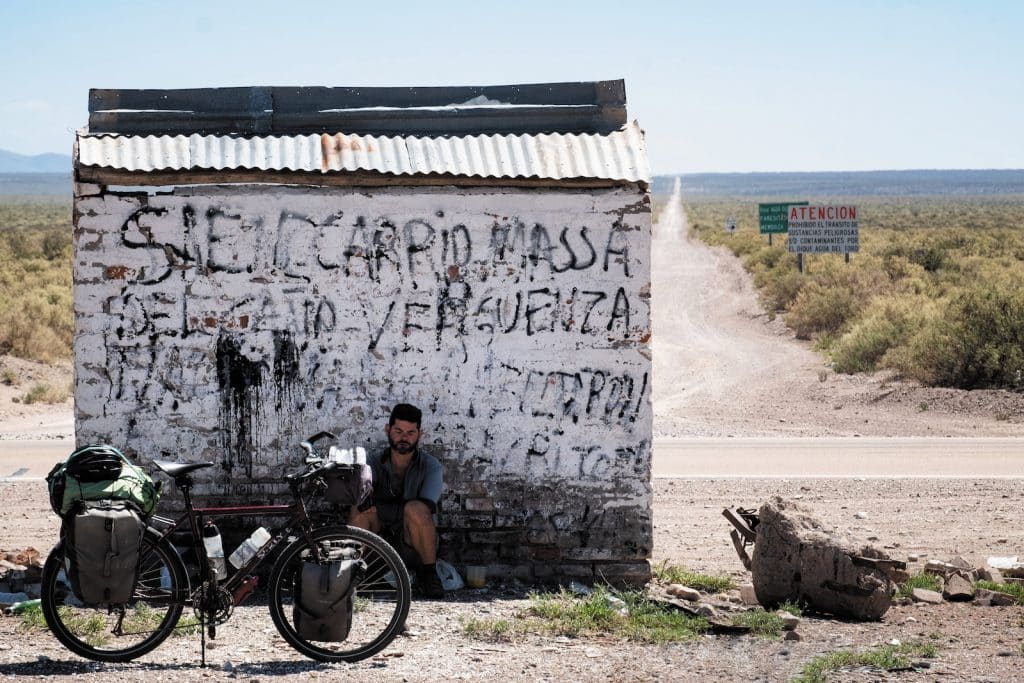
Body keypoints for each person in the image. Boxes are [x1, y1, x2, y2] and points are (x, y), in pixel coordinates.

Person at [350, 403, 445, 598]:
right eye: (399, 431)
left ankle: (429, 575)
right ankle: (350, 573)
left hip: (411, 544)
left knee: (416, 509)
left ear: (420, 434)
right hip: (377, 542)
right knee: (358, 508)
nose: (404, 437)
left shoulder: (431, 466)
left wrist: (377, 505)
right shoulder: (372, 463)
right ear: (388, 430)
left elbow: (424, 508)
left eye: (411, 432)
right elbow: (358, 497)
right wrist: (365, 502)